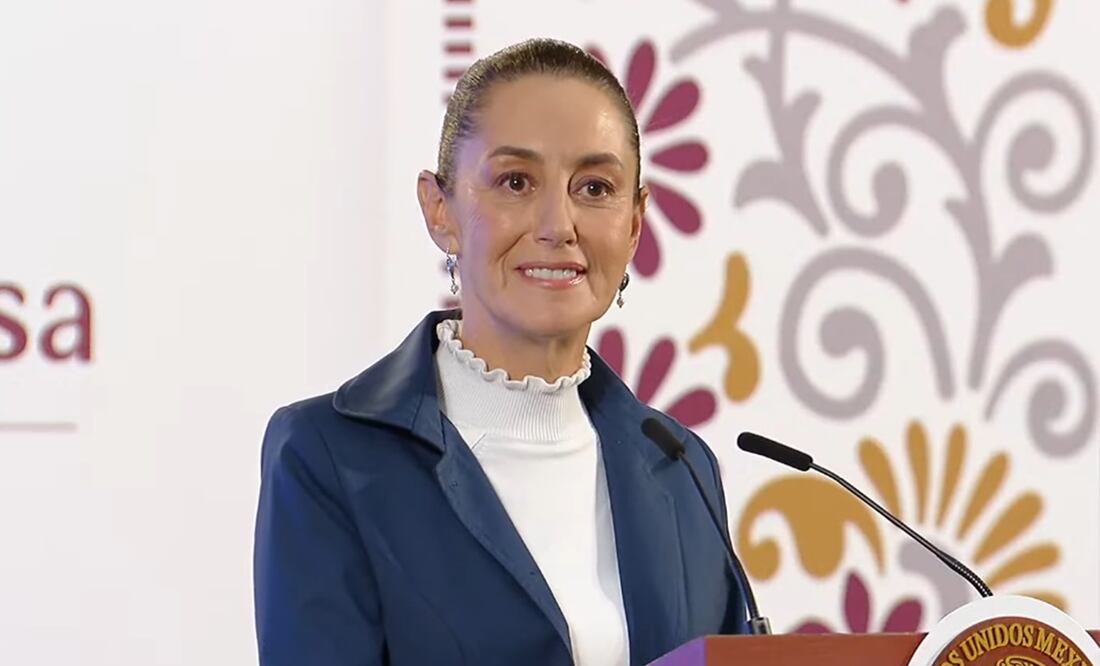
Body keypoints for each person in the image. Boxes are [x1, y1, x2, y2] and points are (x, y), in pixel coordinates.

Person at [253, 38, 745, 666]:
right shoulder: (328, 456)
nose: (558, 225)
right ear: (440, 210)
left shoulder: (682, 469)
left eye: (595, 187)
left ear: (634, 223)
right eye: (516, 182)